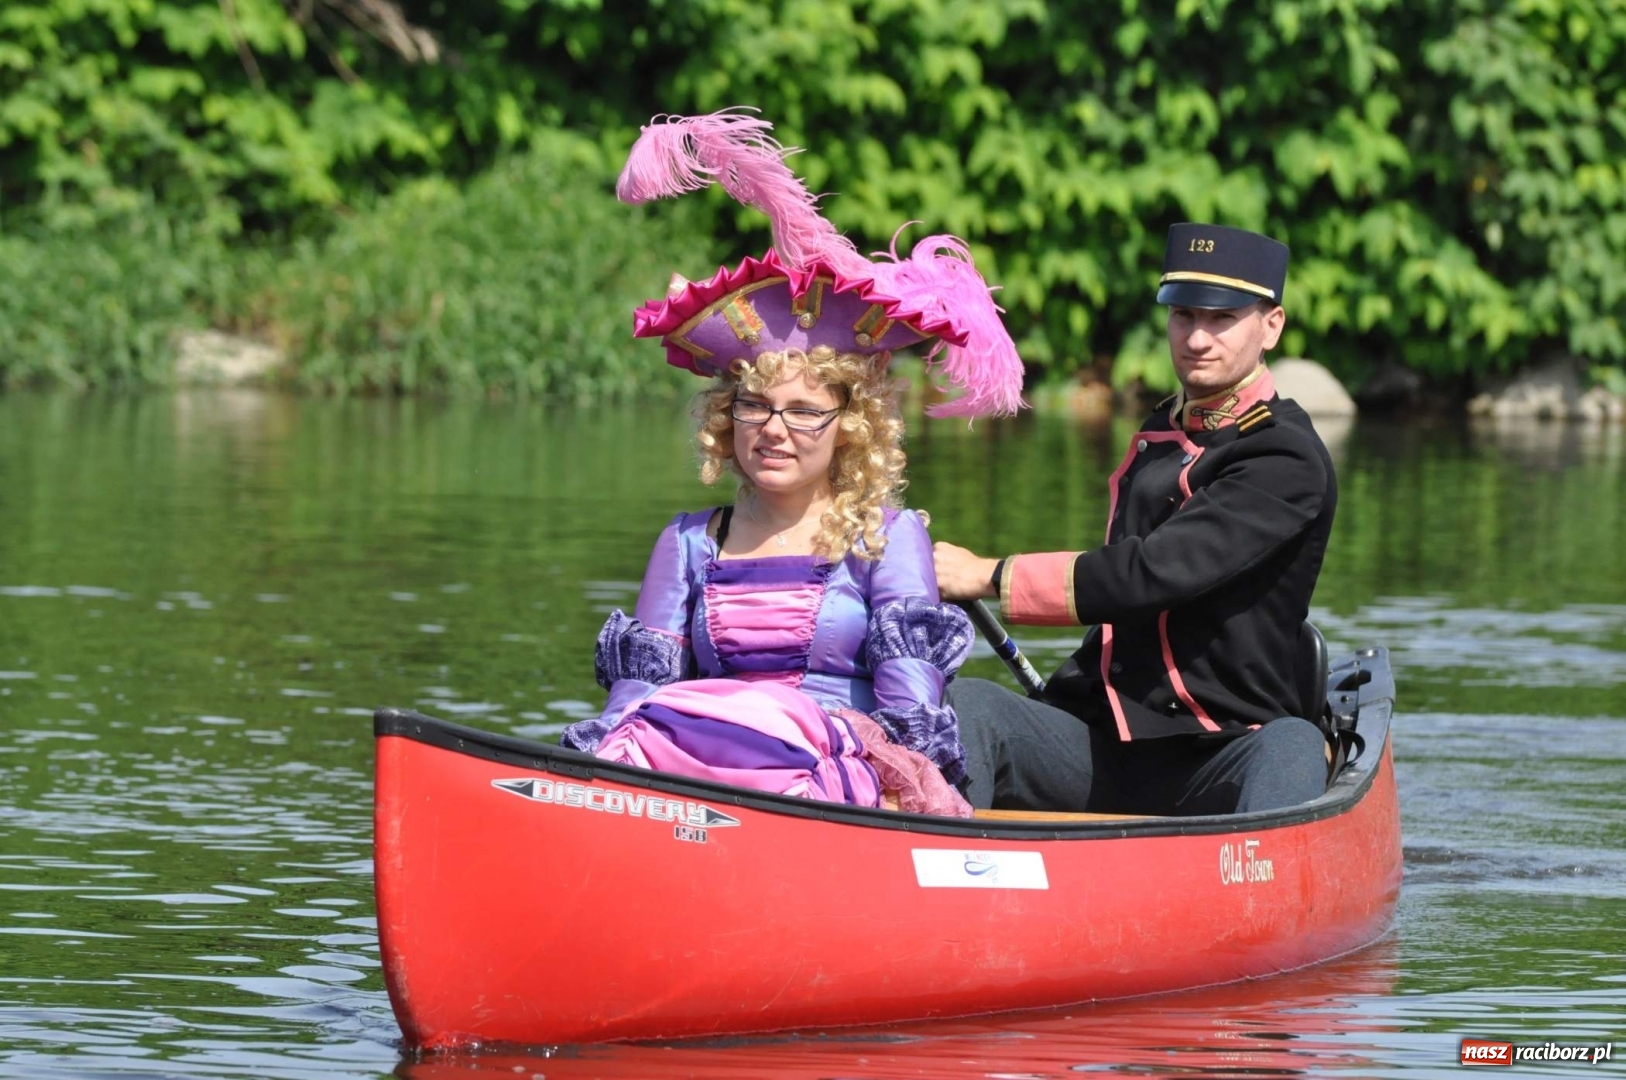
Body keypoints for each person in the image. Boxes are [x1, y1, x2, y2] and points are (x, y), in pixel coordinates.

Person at [561, 109, 1026, 815]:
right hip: (701, 774)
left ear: (851, 429)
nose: (774, 430)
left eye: (805, 412)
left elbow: (911, 714)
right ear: (728, 418)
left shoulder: (887, 538)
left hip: (839, 784)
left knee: (779, 723)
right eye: (754, 406)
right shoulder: (687, 543)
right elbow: (636, 703)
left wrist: (914, 795)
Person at [932, 222, 1335, 816]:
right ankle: (947, 864)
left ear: (1270, 325)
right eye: (1183, 316)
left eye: (1221, 319)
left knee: (1295, 744)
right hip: (1110, 744)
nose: (1198, 337)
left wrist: (989, 575)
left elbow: (1155, 572)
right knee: (971, 705)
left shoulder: (1284, 454)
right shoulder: (1163, 429)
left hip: (1226, 750)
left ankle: (1258, 890)